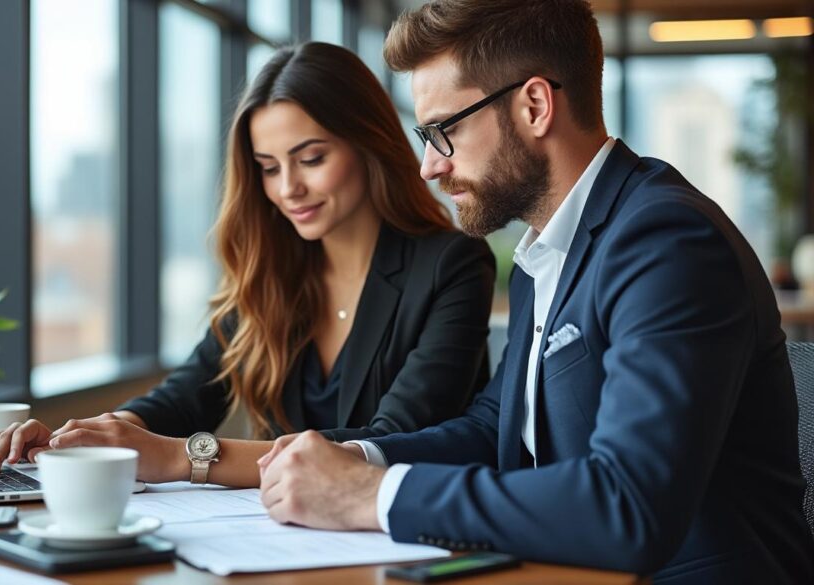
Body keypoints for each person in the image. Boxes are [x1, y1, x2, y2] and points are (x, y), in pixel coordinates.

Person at [256, 2, 814, 583]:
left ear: (535, 106)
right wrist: (360, 458)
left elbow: (629, 503)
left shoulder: (666, 241)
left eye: (444, 131)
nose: (429, 167)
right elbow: (494, 426)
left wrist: (370, 495)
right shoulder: (544, 254)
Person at [0, 42, 496, 489]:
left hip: (397, 532)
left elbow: (394, 440)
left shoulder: (452, 266)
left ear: (370, 146)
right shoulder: (272, 270)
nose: (288, 188)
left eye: (311, 159)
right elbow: (187, 395)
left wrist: (183, 457)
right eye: (268, 168)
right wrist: (82, 437)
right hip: (282, 531)